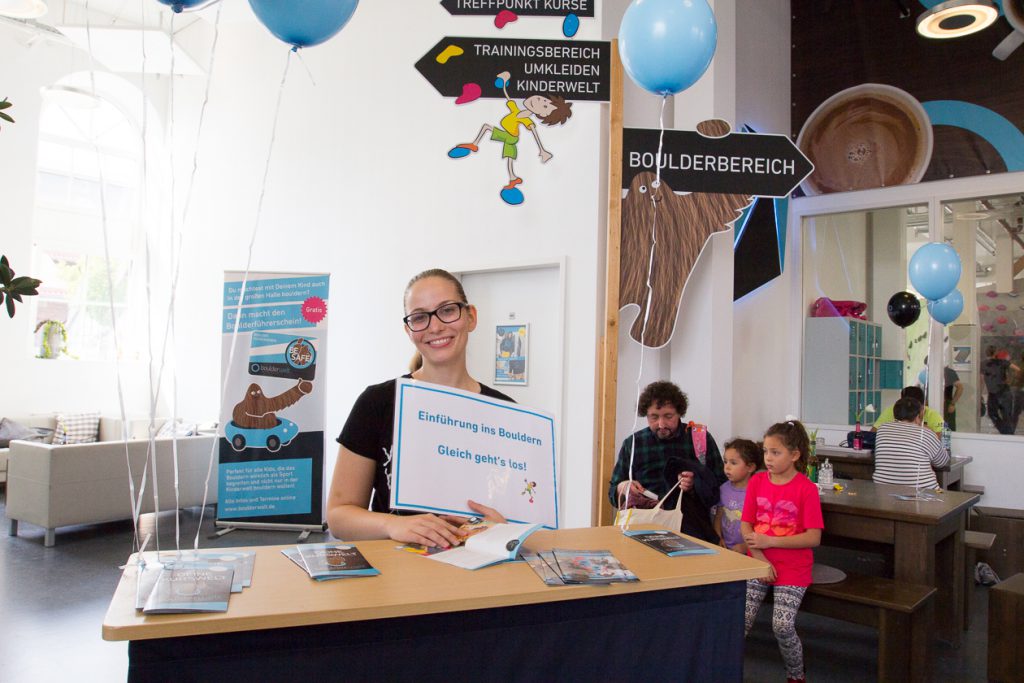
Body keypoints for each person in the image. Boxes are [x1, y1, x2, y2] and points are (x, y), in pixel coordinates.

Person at [326, 268, 511, 548]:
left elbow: (523, 519)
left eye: (447, 310)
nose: (435, 327)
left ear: (470, 317)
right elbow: (339, 516)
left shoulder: (506, 412)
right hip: (397, 580)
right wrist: (394, 524)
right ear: (408, 330)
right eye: (420, 317)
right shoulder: (377, 403)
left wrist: (503, 528)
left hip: (481, 577)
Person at [742, 420, 823, 683]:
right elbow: (746, 525)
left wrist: (770, 542)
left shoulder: (806, 489)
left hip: (793, 568)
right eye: (765, 451)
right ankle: (723, 668)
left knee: (782, 625)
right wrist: (760, 556)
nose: (768, 458)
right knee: (739, 620)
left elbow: (813, 537)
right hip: (758, 560)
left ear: (795, 455)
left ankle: (796, 675)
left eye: (775, 452)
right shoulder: (756, 482)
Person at [608, 381, 726, 544]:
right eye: (654, 417)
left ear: (679, 412)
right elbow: (613, 492)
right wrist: (623, 488)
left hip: (691, 532)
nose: (661, 424)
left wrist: (694, 485)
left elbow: (722, 485)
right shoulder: (633, 443)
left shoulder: (699, 439)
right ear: (646, 415)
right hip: (644, 532)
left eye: (668, 416)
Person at [872, 396, 949, 490]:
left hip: (883, 492)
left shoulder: (882, 429)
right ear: (918, 416)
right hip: (923, 492)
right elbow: (942, 462)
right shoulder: (926, 433)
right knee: (945, 496)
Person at [714, 438, 762, 554]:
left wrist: (746, 547)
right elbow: (719, 516)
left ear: (750, 467)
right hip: (726, 550)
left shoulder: (758, 491)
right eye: (725, 462)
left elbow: (761, 525)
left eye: (733, 463)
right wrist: (718, 537)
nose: (727, 467)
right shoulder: (723, 489)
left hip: (750, 552)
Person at [872, 385, 943, 437]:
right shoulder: (891, 411)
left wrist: (920, 425)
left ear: (924, 404)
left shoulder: (933, 415)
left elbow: (939, 439)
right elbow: (873, 433)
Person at [917, 355, 964, 431]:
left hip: (946, 403)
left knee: (947, 429)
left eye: (928, 366)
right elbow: (919, 387)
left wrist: (952, 403)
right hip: (929, 403)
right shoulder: (926, 373)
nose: (928, 368)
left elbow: (960, 387)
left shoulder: (949, 372)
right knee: (931, 428)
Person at [982, 346, 1014, 434]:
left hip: (993, 393)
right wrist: (1011, 380)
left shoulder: (984, 364)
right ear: (996, 353)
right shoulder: (1003, 362)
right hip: (1004, 391)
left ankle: (1005, 431)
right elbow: (1017, 369)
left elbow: (981, 379)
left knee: (992, 413)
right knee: (1006, 415)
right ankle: (1008, 433)